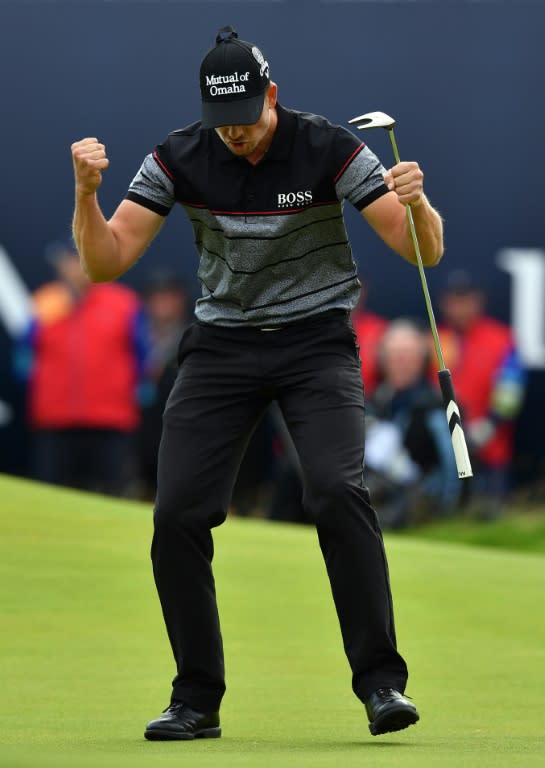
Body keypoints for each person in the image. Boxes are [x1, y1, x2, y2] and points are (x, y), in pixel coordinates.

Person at [70, 26, 445, 740]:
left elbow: (418, 249)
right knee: (177, 513)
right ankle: (195, 699)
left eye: (246, 117)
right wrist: (87, 195)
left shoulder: (329, 147)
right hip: (221, 349)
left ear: (270, 95)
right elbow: (106, 261)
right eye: (223, 123)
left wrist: (418, 202)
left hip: (315, 345)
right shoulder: (178, 156)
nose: (235, 135)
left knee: (336, 489)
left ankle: (380, 686)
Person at [14, 241, 148, 496]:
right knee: (49, 496)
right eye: (71, 259)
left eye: (83, 258)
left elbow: (141, 357)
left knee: (115, 495)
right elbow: (23, 357)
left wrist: (135, 391)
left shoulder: (124, 303)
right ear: (60, 264)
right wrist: (40, 388)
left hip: (111, 420)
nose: (77, 267)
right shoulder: (45, 302)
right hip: (55, 420)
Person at [438, 270, 526, 518]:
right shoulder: (436, 338)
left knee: (490, 520)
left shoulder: (501, 339)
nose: (460, 306)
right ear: (444, 302)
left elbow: (511, 392)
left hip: (490, 450)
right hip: (445, 451)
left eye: (466, 298)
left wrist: (487, 428)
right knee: (447, 522)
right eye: (454, 299)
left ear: (479, 300)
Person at [365, 319, 460, 529]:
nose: (401, 363)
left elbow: (452, 466)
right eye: (394, 356)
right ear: (383, 360)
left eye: (408, 356)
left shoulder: (437, 406)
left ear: (423, 360)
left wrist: (446, 514)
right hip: (375, 500)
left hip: (420, 506)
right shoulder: (374, 402)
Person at [136, 272, 191, 499]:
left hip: (182, 431)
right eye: (158, 298)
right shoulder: (134, 336)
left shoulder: (195, 335)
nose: (164, 305)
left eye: (170, 298)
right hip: (139, 430)